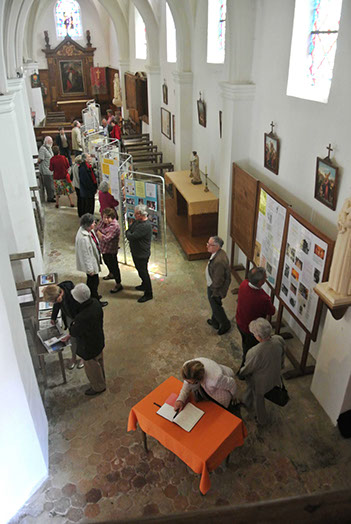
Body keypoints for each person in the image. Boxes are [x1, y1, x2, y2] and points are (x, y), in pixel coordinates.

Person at [238, 318, 285, 425]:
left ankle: (261, 420)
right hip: (275, 376)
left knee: (259, 400)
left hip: (261, 383)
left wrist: (241, 373)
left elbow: (248, 368)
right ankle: (246, 401)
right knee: (251, 389)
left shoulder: (254, 352)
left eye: (254, 333)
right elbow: (282, 356)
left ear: (258, 336)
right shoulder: (279, 339)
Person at [68, 283, 106, 396]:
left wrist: (72, 325)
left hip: (88, 346)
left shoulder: (82, 317)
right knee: (99, 362)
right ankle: (102, 380)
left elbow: (74, 332)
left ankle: (98, 387)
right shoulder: (95, 303)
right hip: (98, 339)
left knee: (92, 369)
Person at [236, 266, 275, 366]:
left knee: (245, 344)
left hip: (240, 321)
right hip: (251, 330)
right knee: (250, 350)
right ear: (260, 283)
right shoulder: (263, 298)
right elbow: (272, 311)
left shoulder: (244, 284)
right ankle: (243, 370)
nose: (266, 280)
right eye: (265, 278)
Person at [42, 282, 83, 370]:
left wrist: (77, 324)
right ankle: (73, 357)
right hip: (69, 316)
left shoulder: (73, 296)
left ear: (59, 296)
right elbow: (56, 306)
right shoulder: (58, 290)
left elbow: (81, 311)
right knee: (73, 339)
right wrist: (53, 317)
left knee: (82, 338)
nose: (54, 303)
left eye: (54, 301)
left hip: (78, 317)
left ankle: (83, 358)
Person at [75, 213, 108, 307]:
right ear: (88, 225)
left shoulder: (87, 230)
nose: (95, 224)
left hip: (93, 260)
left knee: (93, 282)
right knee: (93, 283)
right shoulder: (83, 239)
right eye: (93, 223)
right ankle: (94, 301)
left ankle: (94, 296)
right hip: (90, 265)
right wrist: (90, 269)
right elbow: (86, 256)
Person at [126, 204, 153, 303]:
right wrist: (129, 233)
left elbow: (130, 236)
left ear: (141, 214)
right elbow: (129, 230)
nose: (134, 215)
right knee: (140, 270)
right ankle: (144, 285)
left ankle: (148, 293)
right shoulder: (138, 222)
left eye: (136, 213)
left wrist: (129, 233)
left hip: (141, 254)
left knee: (143, 272)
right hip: (136, 252)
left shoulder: (144, 226)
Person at [206, 236, 231, 335]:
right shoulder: (217, 253)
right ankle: (215, 321)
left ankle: (225, 324)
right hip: (212, 285)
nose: (207, 246)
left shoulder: (219, 261)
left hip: (215, 288)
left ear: (217, 246)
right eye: (207, 243)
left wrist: (214, 291)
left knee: (216, 306)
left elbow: (218, 280)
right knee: (214, 305)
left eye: (210, 244)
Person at [95, 208, 123, 294]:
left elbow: (106, 239)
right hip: (104, 249)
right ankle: (111, 274)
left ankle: (118, 284)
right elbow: (96, 229)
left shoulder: (115, 226)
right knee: (106, 261)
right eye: (104, 217)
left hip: (111, 250)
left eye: (108, 218)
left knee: (114, 266)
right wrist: (101, 233)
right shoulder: (103, 222)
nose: (105, 219)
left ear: (112, 217)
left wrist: (100, 233)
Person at [38, 136, 55, 202]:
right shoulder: (42, 149)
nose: (51, 143)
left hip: (50, 169)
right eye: (50, 142)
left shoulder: (49, 148)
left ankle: (52, 195)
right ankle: (50, 198)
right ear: (46, 142)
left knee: (51, 184)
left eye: (51, 142)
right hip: (46, 170)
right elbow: (40, 159)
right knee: (49, 185)